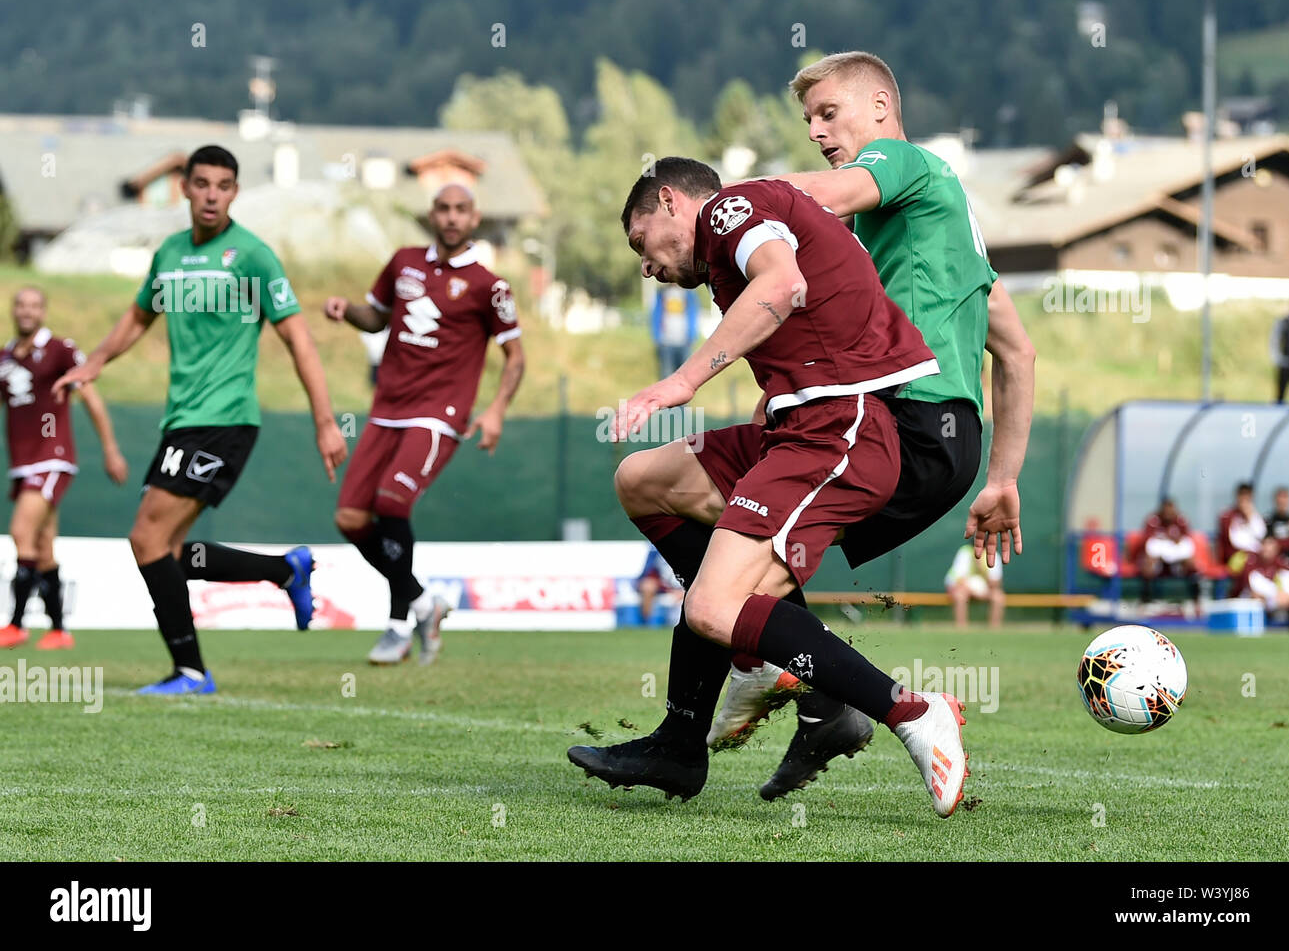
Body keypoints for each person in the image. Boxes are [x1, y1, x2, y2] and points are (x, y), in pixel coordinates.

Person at [571, 52, 1035, 803]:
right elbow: (1017, 349)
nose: (817, 132)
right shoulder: (934, 237)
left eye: (829, 114)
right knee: (647, 482)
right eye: (809, 119)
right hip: (909, 432)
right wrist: (1003, 475)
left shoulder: (903, 164)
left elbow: (816, 202)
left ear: (882, 109)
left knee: (720, 603)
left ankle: (867, 701)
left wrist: (747, 205)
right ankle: (743, 709)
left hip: (895, 425)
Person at [53, 145, 347, 695]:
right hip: (181, 421)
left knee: (145, 538)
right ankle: (285, 571)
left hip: (227, 419)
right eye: (203, 183)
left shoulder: (253, 256)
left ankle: (190, 672)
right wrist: (93, 363)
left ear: (235, 192)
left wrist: (326, 420)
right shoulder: (169, 254)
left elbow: (298, 337)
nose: (212, 194)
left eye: (225, 185)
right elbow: (139, 315)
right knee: (169, 553)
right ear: (185, 188)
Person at [324, 184, 525, 665]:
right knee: (350, 518)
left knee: (392, 501)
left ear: (474, 218)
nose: (452, 217)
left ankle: (397, 625)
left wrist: (495, 409)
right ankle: (422, 604)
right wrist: (346, 310)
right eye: (443, 208)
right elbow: (376, 318)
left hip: (439, 413)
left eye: (461, 210)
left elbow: (514, 356)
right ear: (430, 215)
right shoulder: (402, 262)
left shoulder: (489, 286)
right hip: (387, 407)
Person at [0, 287, 128, 649]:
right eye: (21, 305)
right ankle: (59, 631)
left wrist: (110, 449)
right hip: (22, 463)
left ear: (43, 311)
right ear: (13, 310)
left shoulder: (60, 350)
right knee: (42, 547)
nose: (27, 311)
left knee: (21, 532)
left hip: (52, 455)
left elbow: (90, 397)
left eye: (34, 305)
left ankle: (15, 625)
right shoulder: (5, 358)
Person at [1136, 497, 1199, 604]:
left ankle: (1195, 600)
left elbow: (1186, 542)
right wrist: (1168, 539)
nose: (1168, 513)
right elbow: (1148, 542)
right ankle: (1146, 600)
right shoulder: (1153, 520)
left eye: (1171, 509)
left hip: (1177, 561)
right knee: (1148, 563)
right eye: (1166, 510)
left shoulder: (1181, 520)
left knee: (1191, 564)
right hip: (1158, 561)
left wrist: (1172, 540)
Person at [1218, 482, 1267, 593]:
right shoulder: (1228, 515)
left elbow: (1261, 534)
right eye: (1242, 495)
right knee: (1249, 562)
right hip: (1236, 556)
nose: (1244, 500)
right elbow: (1231, 539)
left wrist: (1250, 516)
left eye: (1247, 496)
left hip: (1256, 554)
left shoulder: (1254, 515)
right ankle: (1246, 593)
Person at [1242, 536, 1289, 629]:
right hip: (1257, 603)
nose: (1267, 549)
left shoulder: (1281, 564)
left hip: (1278, 601)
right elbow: (1253, 592)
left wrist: (1286, 598)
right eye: (1265, 545)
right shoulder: (1251, 563)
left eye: (1270, 546)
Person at [945, 544, 1005, 628]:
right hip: (963, 589)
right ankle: (961, 629)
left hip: (984, 591)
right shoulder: (965, 552)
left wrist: (982, 569)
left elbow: (995, 583)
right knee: (960, 596)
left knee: (998, 597)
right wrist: (974, 591)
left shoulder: (993, 555)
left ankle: (994, 630)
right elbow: (958, 581)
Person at [650, 284, 699, 379]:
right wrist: (657, 337)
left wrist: (692, 337)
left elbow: (693, 314)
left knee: (685, 378)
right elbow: (655, 316)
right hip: (665, 342)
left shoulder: (689, 294)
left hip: (684, 342)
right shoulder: (662, 293)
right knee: (666, 376)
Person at [637, 547, 684, 625]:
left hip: (686, 585)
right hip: (663, 584)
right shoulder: (656, 549)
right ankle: (647, 625)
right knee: (647, 586)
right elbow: (649, 572)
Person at [1270, 298, 1289, 403]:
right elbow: (1275, 340)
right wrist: (1277, 358)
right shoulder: (1284, 321)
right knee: (1281, 393)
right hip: (1286, 362)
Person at [1267, 486, 1289, 556]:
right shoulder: (1268, 520)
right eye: (1280, 498)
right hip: (1275, 560)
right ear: (1275, 500)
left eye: (1285, 497)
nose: (1282, 501)